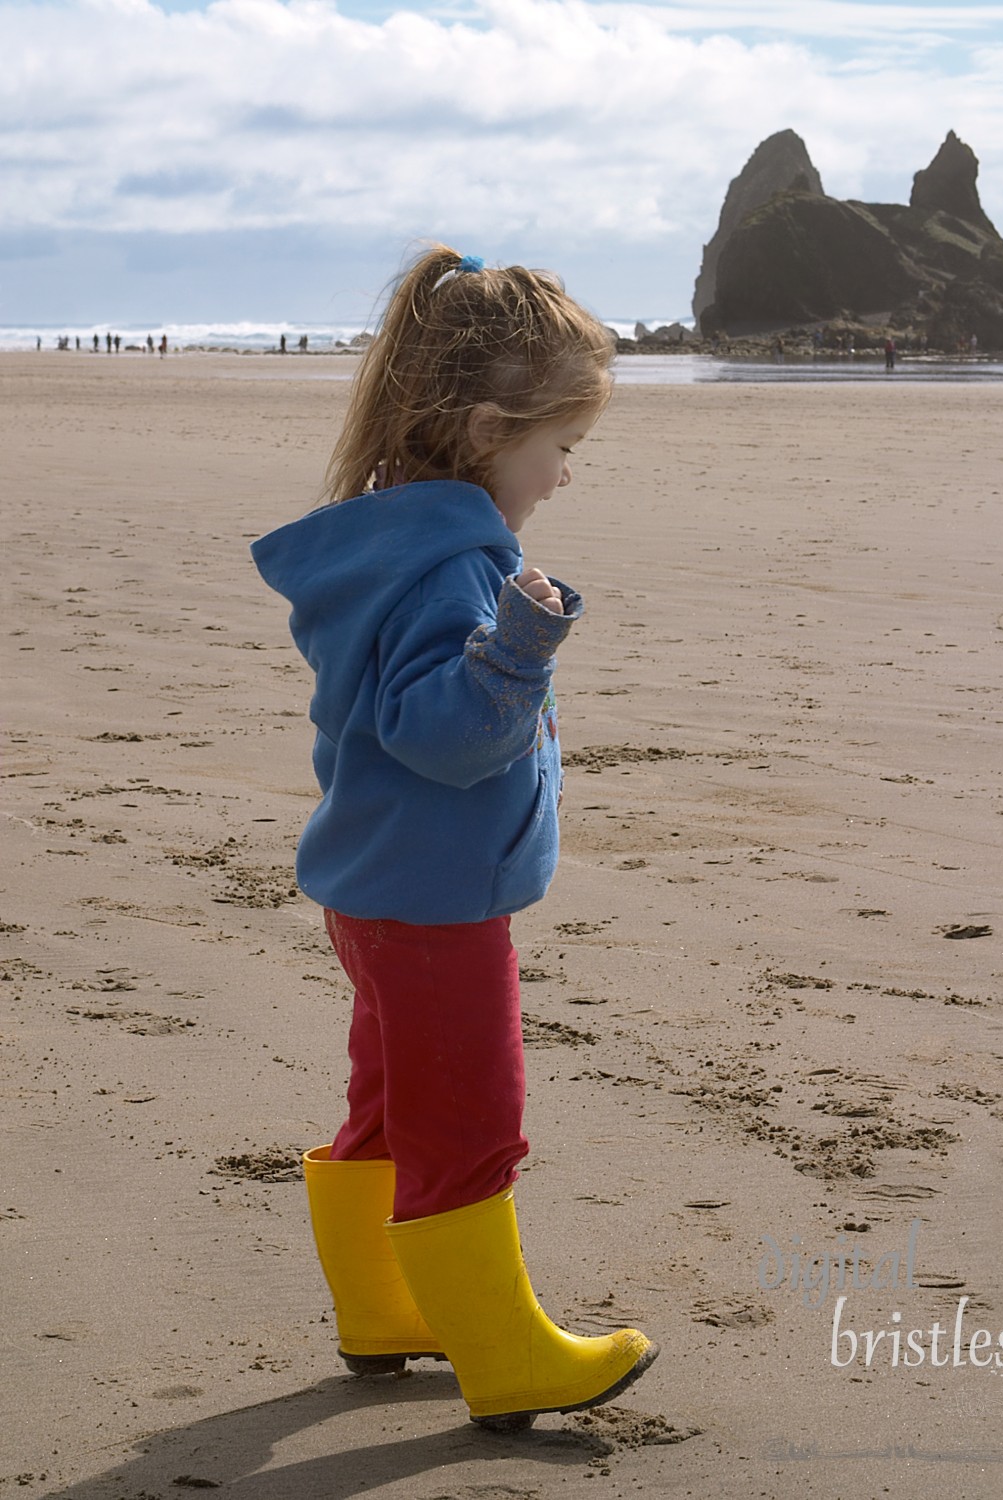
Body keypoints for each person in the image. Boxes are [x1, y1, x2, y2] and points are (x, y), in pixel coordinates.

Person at [251, 244, 658, 1432]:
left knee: (391, 1099)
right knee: (473, 1113)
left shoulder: (395, 539)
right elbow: (442, 735)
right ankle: (505, 1352)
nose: (566, 475)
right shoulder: (454, 563)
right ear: (488, 429)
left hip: (380, 884)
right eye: (559, 448)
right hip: (431, 899)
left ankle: (385, 1310)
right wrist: (519, 653)